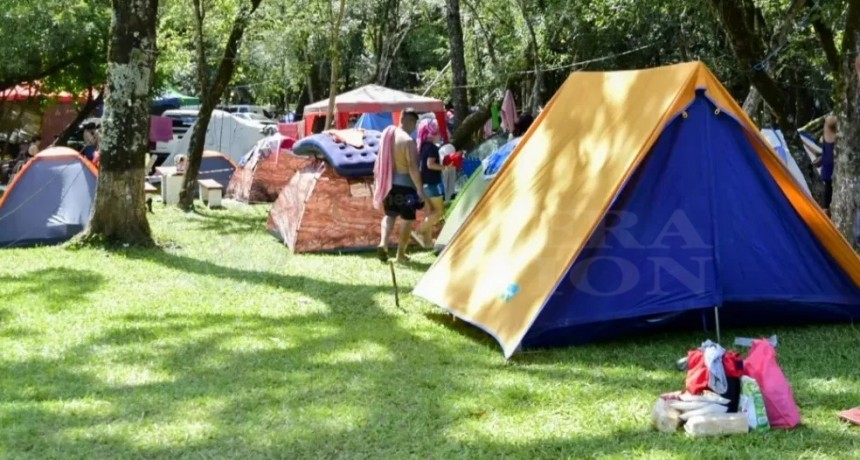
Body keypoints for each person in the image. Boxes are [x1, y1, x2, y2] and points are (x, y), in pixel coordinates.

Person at [373, 108, 425, 263]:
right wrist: (420, 189)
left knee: (390, 215)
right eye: (414, 123)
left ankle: (383, 243)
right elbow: (412, 168)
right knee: (407, 219)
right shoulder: (408, 141)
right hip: (406, 187)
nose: (414, 127)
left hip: (388, 184)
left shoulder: (387, 135)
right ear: (408, 120)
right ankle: (400, 254)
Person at [413, 118, 447, 248]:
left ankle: (427, 242)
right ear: (431, 134)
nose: (439, 134)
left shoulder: (422, 147)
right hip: (433, 184)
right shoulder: (432, 148)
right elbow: (430, 164)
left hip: (425, 184)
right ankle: (418, 232)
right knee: (439, 212)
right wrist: (444, 167)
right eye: (437, 132)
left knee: (431, 212)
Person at [820, 115, 837, 217]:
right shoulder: (829, 125)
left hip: (829, 169)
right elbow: (830, 120)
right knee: (828, 202)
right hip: (830, 170)